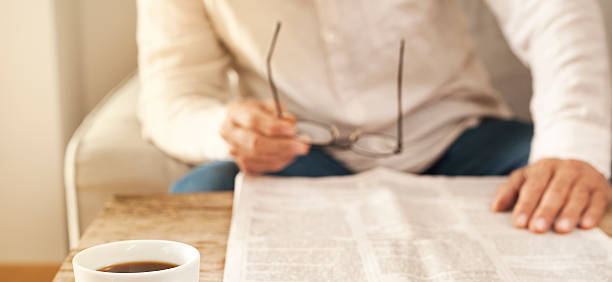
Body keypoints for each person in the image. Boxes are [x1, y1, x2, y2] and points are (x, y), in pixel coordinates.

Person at [137, 0, 612, 234]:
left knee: (584, 191)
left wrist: (572, 146)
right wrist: (226, 129)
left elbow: (553, 12)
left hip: (462, 139)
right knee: (199, 199)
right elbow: (173, 98)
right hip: (302, 156)